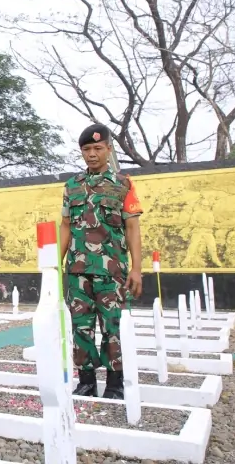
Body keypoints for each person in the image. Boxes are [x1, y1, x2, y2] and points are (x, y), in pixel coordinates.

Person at [59, 123, 143, 400]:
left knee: (112, 327)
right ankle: (86, 381)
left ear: (108, 148)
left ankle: (116, 383)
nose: (92, 154)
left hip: (112, 270)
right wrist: (53, 267)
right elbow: (65, 226)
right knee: (80, 327)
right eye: (86, 149)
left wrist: (137, 269)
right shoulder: (72, 186)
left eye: (97, 148)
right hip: (77, 271)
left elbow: (132, 229)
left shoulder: (124, 184)